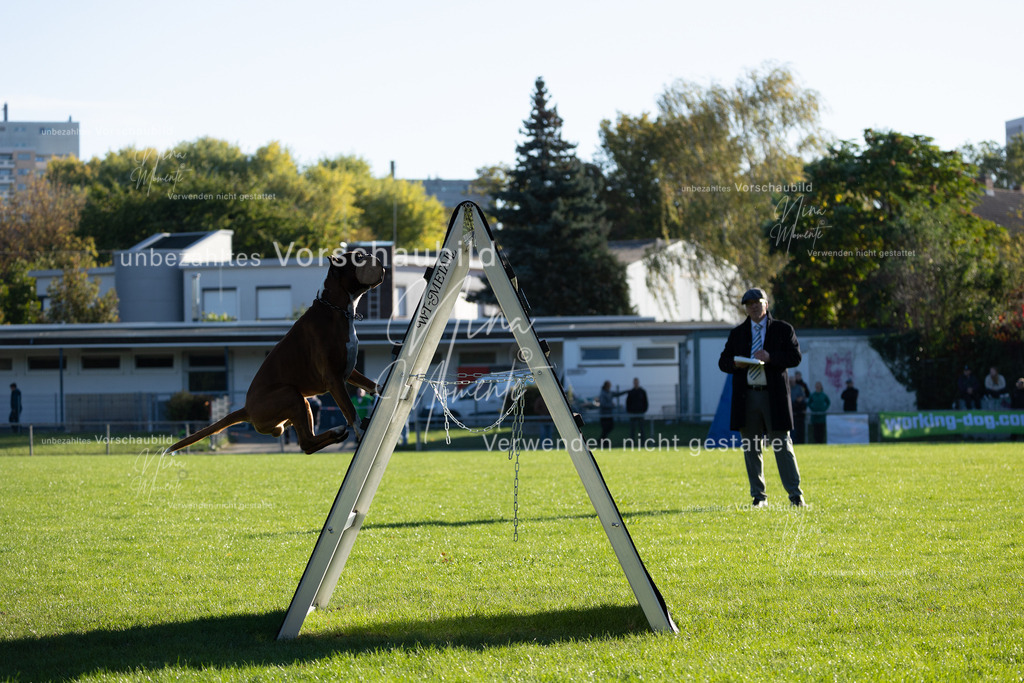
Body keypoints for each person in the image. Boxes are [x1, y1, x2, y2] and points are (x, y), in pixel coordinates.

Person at [718, 288, 805, 507]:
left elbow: (795, 357)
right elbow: (723, 362)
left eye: (757, 302)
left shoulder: (783, 329)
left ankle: (795, 495)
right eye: (749, 304)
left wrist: (770, 357)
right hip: (748, 397)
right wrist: (735, 364)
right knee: (751, 448)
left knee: (782, 445)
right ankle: (759, 496)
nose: (754, 307)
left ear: (766, 304)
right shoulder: (738, 333)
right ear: (745, 308)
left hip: (773, 396)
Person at [624, 378, 649, 447]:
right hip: (632, 413)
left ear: (638, 383)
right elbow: (628, 402)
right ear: (633, 383)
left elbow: (645, 402)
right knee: (632, 429)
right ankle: (631, 444)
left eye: (637, 382)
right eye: (635, 382)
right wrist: (629, 411)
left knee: (642, 429)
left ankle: (643, 443)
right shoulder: (631, 392)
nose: (636, 383)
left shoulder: (642, 391)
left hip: (640, 412)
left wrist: (644, 410)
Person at [596, 380, 617, 447]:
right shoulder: (603, 393)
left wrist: (627, 391)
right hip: (604, 415)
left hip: (609, 415)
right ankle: (603, 442)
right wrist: (611, 405)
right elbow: (603, 404)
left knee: (609, 428)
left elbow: (617, 394)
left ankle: (601, 441)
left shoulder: (609, 392)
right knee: (605, 429)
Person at [790, 376, 807, 445]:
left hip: (798, 411)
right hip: (791, 410)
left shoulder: (799, 388)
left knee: (799, 429)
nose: (791, 383)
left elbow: (802, 398)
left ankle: (800, 442)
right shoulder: (787, 387)